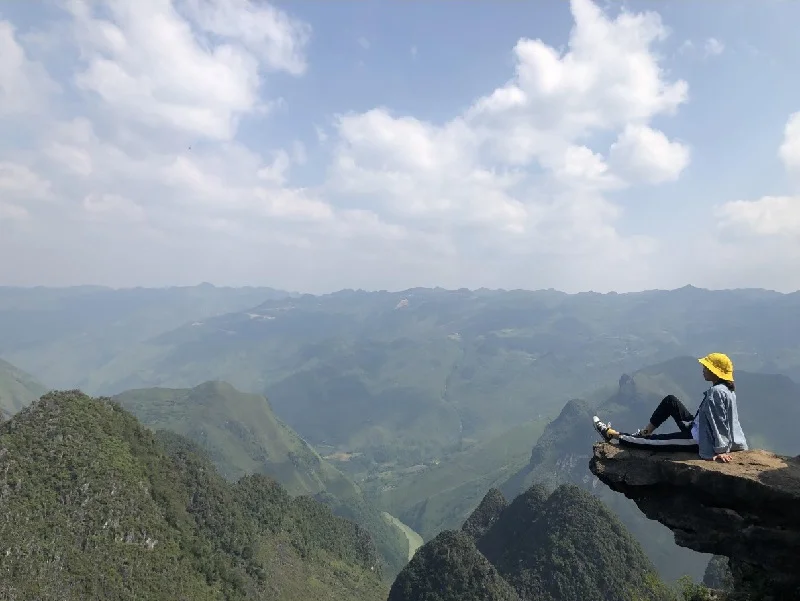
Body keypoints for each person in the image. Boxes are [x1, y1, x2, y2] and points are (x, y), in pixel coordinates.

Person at [592, 353, 748, 463]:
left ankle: (612, 434)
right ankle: (645, 432)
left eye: (707, 367)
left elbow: (718, 422)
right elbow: (732, 422)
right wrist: (737, 445)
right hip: (696, 428)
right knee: (671, 401)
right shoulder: (727, 390)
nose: (703, 369)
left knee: (652, 443)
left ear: (715, 371)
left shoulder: (716, 392)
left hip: (697, 440)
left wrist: (720, 450)